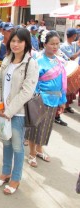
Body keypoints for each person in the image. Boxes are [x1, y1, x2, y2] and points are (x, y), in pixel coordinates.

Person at [0, 28, 38, 195]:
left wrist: (9, 111)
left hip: (18, 114)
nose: (16, 44)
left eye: (20, 41)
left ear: (26, 43)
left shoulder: (31, 64)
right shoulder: (7, 60)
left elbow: (27, 92)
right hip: (4, 111)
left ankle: (16, 178)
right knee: (6, 142)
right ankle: (6, 172)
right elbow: (0, 85)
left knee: (18, 147)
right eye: (13, 41)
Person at [25, 31, 67, 168]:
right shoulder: (37, 62)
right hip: (40, 100)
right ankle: (31, 153)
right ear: (45, 44)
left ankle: (39, 149)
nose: (55, 47)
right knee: (35, 127)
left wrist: (62, 100)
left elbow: (62, 83)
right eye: (52, 44)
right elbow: (33, 83)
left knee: (46, 128)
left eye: (57, 44)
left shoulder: (59, 62)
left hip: (54, 99)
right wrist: (37, 99)